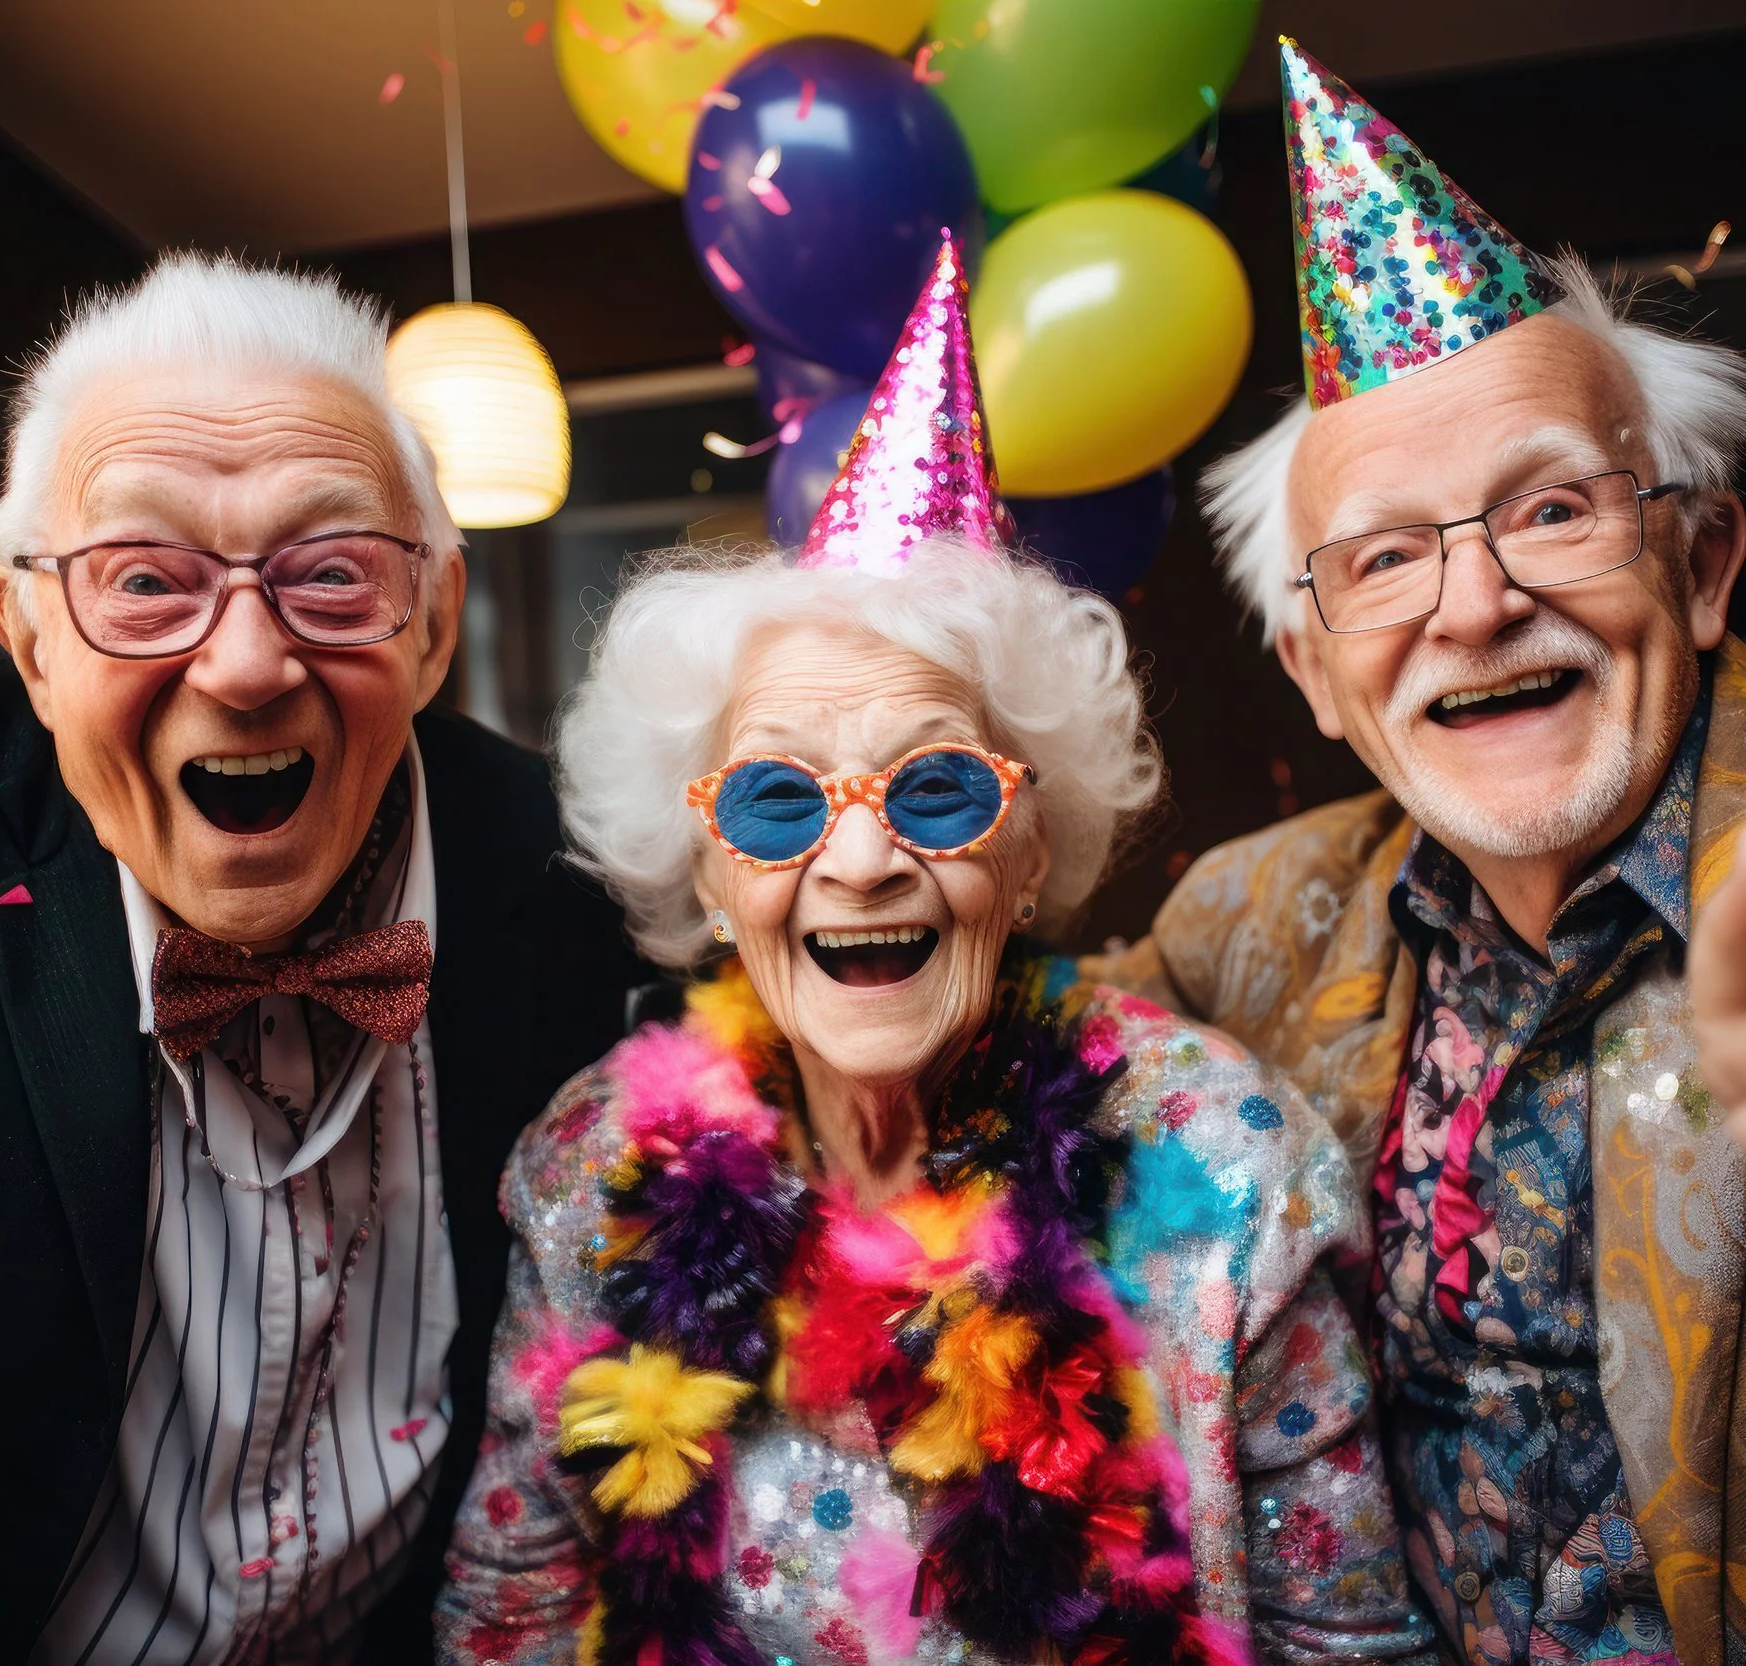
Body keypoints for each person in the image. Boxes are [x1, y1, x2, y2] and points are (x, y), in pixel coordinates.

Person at [1093, 40, 1746, 1666]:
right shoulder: (1253, 921)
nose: (1475, 604)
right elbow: (988, 1082)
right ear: (1320, 674)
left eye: (1553, 510)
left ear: (1699, 565)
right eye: (1389, 559)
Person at [0, 163, 644, 1661]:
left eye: (331, 571)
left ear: (431, 626)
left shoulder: (557, 865)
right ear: (23, 635)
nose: (244, 662)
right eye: (146, 577)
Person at [434, 240, 1437, 1666]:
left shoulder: (1228, 1171)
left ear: (1030, 855)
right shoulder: (590, 1170)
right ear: (712, 869)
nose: (859, 861)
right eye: (780, 801)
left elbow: (1352, 1647)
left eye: (939, 789)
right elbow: (510, 1621)